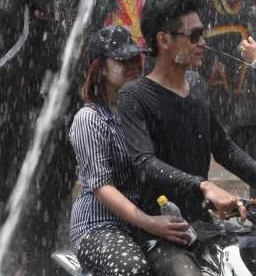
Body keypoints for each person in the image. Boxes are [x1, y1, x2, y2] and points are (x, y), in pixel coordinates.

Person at [118, 0, 256, 276]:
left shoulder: (196, 84)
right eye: (194, 36)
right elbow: (144, 163)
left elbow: (224, 148)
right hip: (162, 230)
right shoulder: (134, 97)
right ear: (163, 40)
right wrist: (202, 185)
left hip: (204, 223)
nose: (202, 43)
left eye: (202, 34)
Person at [69, 26, 190, 276]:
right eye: (123, 59)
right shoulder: (89, 119)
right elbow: (103, 187)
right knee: (132, 270)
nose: (134, 64)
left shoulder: (141, 113)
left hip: (145, 222)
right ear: (100, 67)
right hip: (100, 226)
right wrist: (151, 223)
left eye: (136, 57)